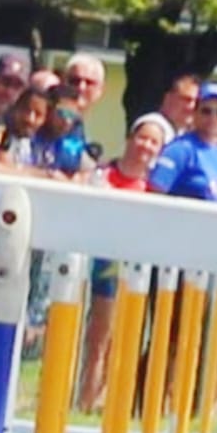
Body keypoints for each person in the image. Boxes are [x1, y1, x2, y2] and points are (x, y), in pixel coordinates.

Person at [78, 112, 168, 411]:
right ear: (130, 138)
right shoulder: (103, 175)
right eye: (142, 137)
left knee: (121, 339)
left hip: (134, 268)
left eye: (154, 142)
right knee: (97, 337)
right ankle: (84, 400)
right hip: (99, 261)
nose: (146, 145)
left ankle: (107, 401)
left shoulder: (154, 187)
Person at [147, 80, 217, 202]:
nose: (213, 118)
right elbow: (153, 196)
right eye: (206, 111)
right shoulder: (180, 150)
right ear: (194, 113)